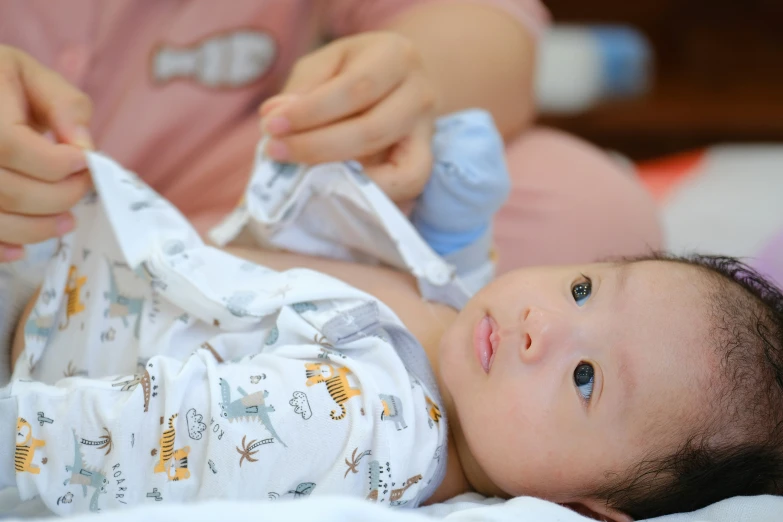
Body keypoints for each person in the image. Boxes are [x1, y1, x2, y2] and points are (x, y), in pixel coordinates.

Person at [2, 134, 782, 522]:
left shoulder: (372, 429)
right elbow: (404, 284)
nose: (541, 326)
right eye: (583, 288)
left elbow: (147, 434)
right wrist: (454, 228)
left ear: (581, 508)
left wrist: (17, 437)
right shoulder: (461, 353)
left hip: (28, 344)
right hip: (66, 261)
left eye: (585, 380)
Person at [0, 0, 661, 271]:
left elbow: (489, 25)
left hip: (217, 204)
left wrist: (398, 80)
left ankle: (186, 306)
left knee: (592, 220)